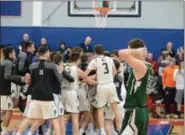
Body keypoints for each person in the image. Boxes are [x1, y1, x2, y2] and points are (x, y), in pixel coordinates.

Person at [16, 46, 63, 135]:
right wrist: (60, 71)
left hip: (35, 96)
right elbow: (60, 80)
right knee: (55, 120)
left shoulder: (32, 66)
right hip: (48, 97)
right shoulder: (52, 66)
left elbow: (30, 81)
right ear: (46, 53)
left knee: (28, 119)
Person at [85, 44, 121, 135]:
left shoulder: (94, 61)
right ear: (103, 51)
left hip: (101, 86)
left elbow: (85, 75)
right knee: (115, 108)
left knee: (100, 109)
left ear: (95, 52)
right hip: (111, 85)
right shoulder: (110, 59)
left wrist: (92, 81)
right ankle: (120, 128)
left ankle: (102, 131)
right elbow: (115, 72)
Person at [119, 38, 152, 135]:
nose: (129, 52)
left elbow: (122, 53)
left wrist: (136, 51)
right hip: (140, 111)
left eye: (130, 49)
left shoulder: (140, 66)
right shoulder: (146, 66)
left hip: (135, 112)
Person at [62, 52, 96, 135]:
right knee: (75, 119)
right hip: (72, 92)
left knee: (62, 117)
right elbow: (88, 81)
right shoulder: (77, 69)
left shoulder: (63, 67)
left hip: (62, 92)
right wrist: (100, 81)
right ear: (78, 59)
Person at [0, 46, 26, 135]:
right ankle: (4, 131)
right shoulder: (8, 63)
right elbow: (7, 76)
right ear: (10, 54)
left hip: (3, 90)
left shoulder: (4, 62)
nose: (15, 54)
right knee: (9, 111)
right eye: (14, 52)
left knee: (4, 110)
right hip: (5, 91)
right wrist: (20, 78)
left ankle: (3, 129)